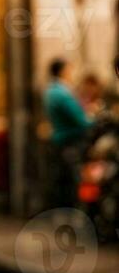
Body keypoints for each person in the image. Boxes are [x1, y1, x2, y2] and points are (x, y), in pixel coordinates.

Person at [44, 58, 91, 210]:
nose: (72, 73)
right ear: (63, 71)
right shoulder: (61, 93)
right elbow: (80, 120)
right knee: (73, 181)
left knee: (62, 181)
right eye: (70, 69)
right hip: (70, 141)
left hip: (59, 140)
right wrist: (94, 120)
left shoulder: (51, 90)